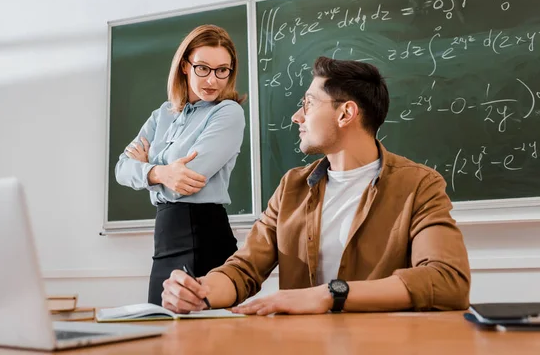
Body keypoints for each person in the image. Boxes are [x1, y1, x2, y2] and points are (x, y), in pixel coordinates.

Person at [160, 57, 471, 315]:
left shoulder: (419, 185)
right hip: (303, 345)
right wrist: (201, 292)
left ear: (346, 113)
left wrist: (331, 294)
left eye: (308, 103)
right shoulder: (292, 187)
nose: (297, 117)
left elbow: (447, 281)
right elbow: (244, 270)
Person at [115, 25, 246, 305]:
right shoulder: (162, 114)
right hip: (165, 239)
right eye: (203, 68)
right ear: (185, 66)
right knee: (159, 337)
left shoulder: (228, 112)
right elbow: (121, 169)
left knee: (207, 343)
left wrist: (149, 170)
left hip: (205, 235)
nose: (213, 80)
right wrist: (160, 172)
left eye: (222, 70)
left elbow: (186, 183)